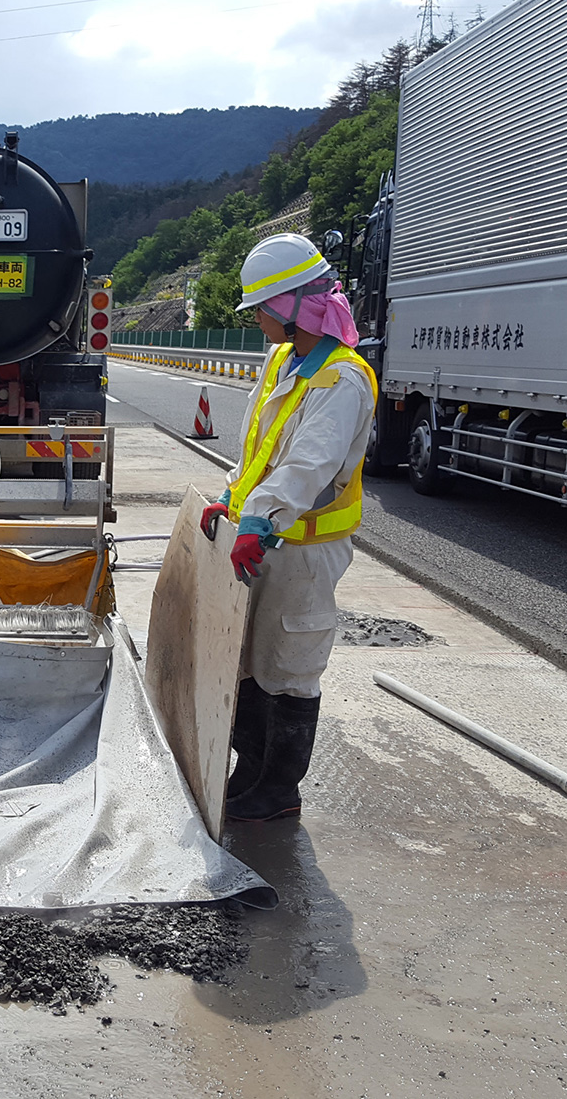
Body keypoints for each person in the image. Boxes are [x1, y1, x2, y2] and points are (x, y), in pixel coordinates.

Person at [199, 233, 376, 822]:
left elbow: (309, 467)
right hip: (265, 540)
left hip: (304, 551)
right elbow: (260, 452)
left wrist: (261, 519)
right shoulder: (285, 362)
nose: (257, 321)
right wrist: (231, 497)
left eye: (262, 309)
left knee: (290, 666)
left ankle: (279, 790)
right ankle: (249, 774)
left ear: (292, 307)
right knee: (251, 659)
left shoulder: (341, 380)